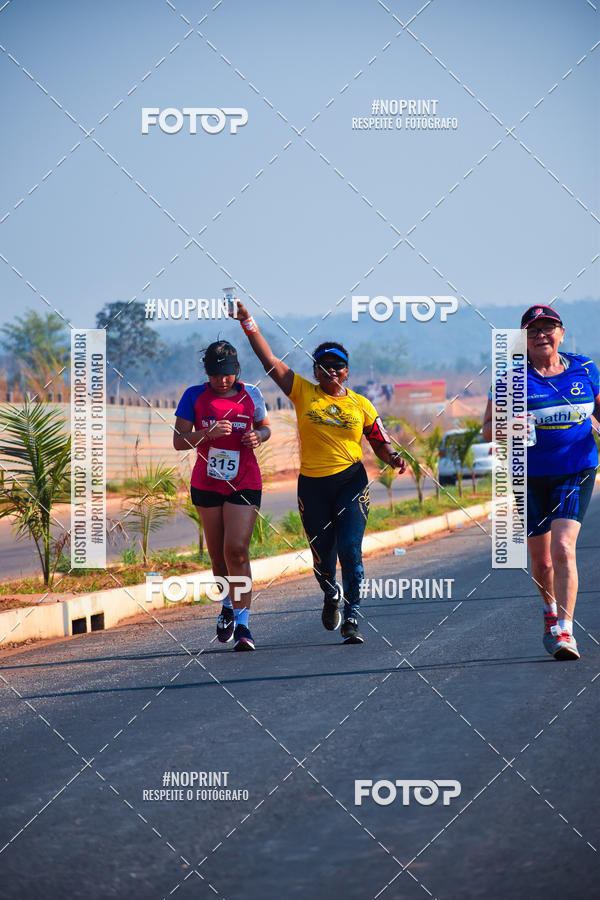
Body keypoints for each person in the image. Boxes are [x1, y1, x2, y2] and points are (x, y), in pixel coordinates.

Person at [231, 302, 406, 644]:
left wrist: (393, 457)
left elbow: (380, 441)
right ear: (315, 371)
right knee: (322, 555)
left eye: (338, 367)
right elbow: (270, 362)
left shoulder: (361, 404)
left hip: (350, 482)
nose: (331, 373)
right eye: (324, 367)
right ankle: (330, 592)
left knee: (351, 550)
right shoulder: (302, 392)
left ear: (347, 372)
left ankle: (353, 614)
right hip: (312, 486)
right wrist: (248, 323)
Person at [483, 305, 600, 660]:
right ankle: (550, 609)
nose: (541, 336)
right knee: (543, 561)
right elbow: (488, 429)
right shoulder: (510, 379)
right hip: (529, 474)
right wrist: (513, 427)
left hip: (576, 468)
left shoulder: (585, 369)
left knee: (563, 547)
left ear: (561, 333)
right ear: (524, 340)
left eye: (549, 328)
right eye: (533, 331)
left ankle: (565, 631)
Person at [173, 340, 271, 651]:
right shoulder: (193, 396)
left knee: (237, 550)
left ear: (236, 371)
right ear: (207, 374)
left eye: (227, 375)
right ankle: (227, 605)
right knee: (217, 556)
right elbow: (178, 441)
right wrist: (207, 434)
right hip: (207, 483)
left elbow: (266, 427)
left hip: (244, 481)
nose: (222, 381)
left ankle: (243, 624)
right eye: (216, 376)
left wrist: (259, 436)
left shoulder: (251, 394)